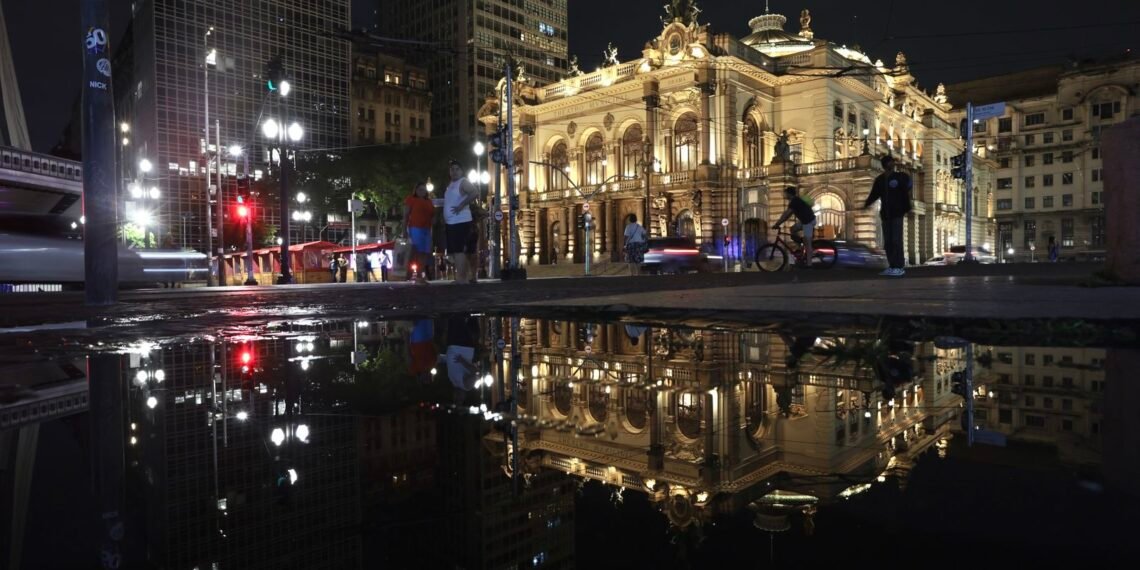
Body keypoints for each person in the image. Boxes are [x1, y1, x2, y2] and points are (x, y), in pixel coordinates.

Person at [863, 155, 913, 277]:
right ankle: (892, 266)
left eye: (892, 162)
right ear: (885, 165)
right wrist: (866, 205)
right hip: (885, 214)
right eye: (890, 162)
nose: (892, 164)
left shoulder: (900, 177)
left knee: (896, 240)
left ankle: (899, 267)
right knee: (888, 242)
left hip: (897, 213)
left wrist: (907, 208)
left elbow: (907, 188)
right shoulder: (880, 180)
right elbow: (874, 194)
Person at [444, 160, 480, 284]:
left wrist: (461, 205)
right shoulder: (451, 184)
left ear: (462, 171)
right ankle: (462, 276)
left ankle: (462, 278)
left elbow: (475, 192)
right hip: (452, 222)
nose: (454, 171)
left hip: (460, 221)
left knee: (459, 251)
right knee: (457, 251)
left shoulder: (463, 182)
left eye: (457, 169)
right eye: (452, 169)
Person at [773, 186, 816, 266]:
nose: (784, 195)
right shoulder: (794, 201)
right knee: (793, 229)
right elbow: (787, 214)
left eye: (785, 193)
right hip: (804, 221)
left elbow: (786, 215)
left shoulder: (795, 201)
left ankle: (809, 264)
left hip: (808, 221)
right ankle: (800, 247)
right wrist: (779, 222)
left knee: (808, 243)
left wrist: (777, 224)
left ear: (789, 194)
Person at [403, 182, 435, 284]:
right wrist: (404, 230)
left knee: (426, 251)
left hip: (427, 228)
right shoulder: (411, 200)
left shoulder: (429, 202)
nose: (422, 191)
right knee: (418, 251)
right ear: (415, 191)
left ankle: (420, 275)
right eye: (419, 189)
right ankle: (416, 274)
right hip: (415, 228)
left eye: (423, 189)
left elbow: (433, 214)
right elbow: (406, 215)